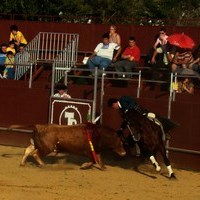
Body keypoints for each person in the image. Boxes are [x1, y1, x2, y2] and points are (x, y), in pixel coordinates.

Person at [107, 96, 177, 149]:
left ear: (114, 104)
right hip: (135, 122)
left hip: (141, 112)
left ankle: (165, 131)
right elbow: (125, 120)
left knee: (154, 117)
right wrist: (122, 128)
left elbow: (133, 102)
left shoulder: (123, 99)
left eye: (113, 107)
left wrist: (128, 109)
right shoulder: (121, 112)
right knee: (133, 134)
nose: (114, 108)